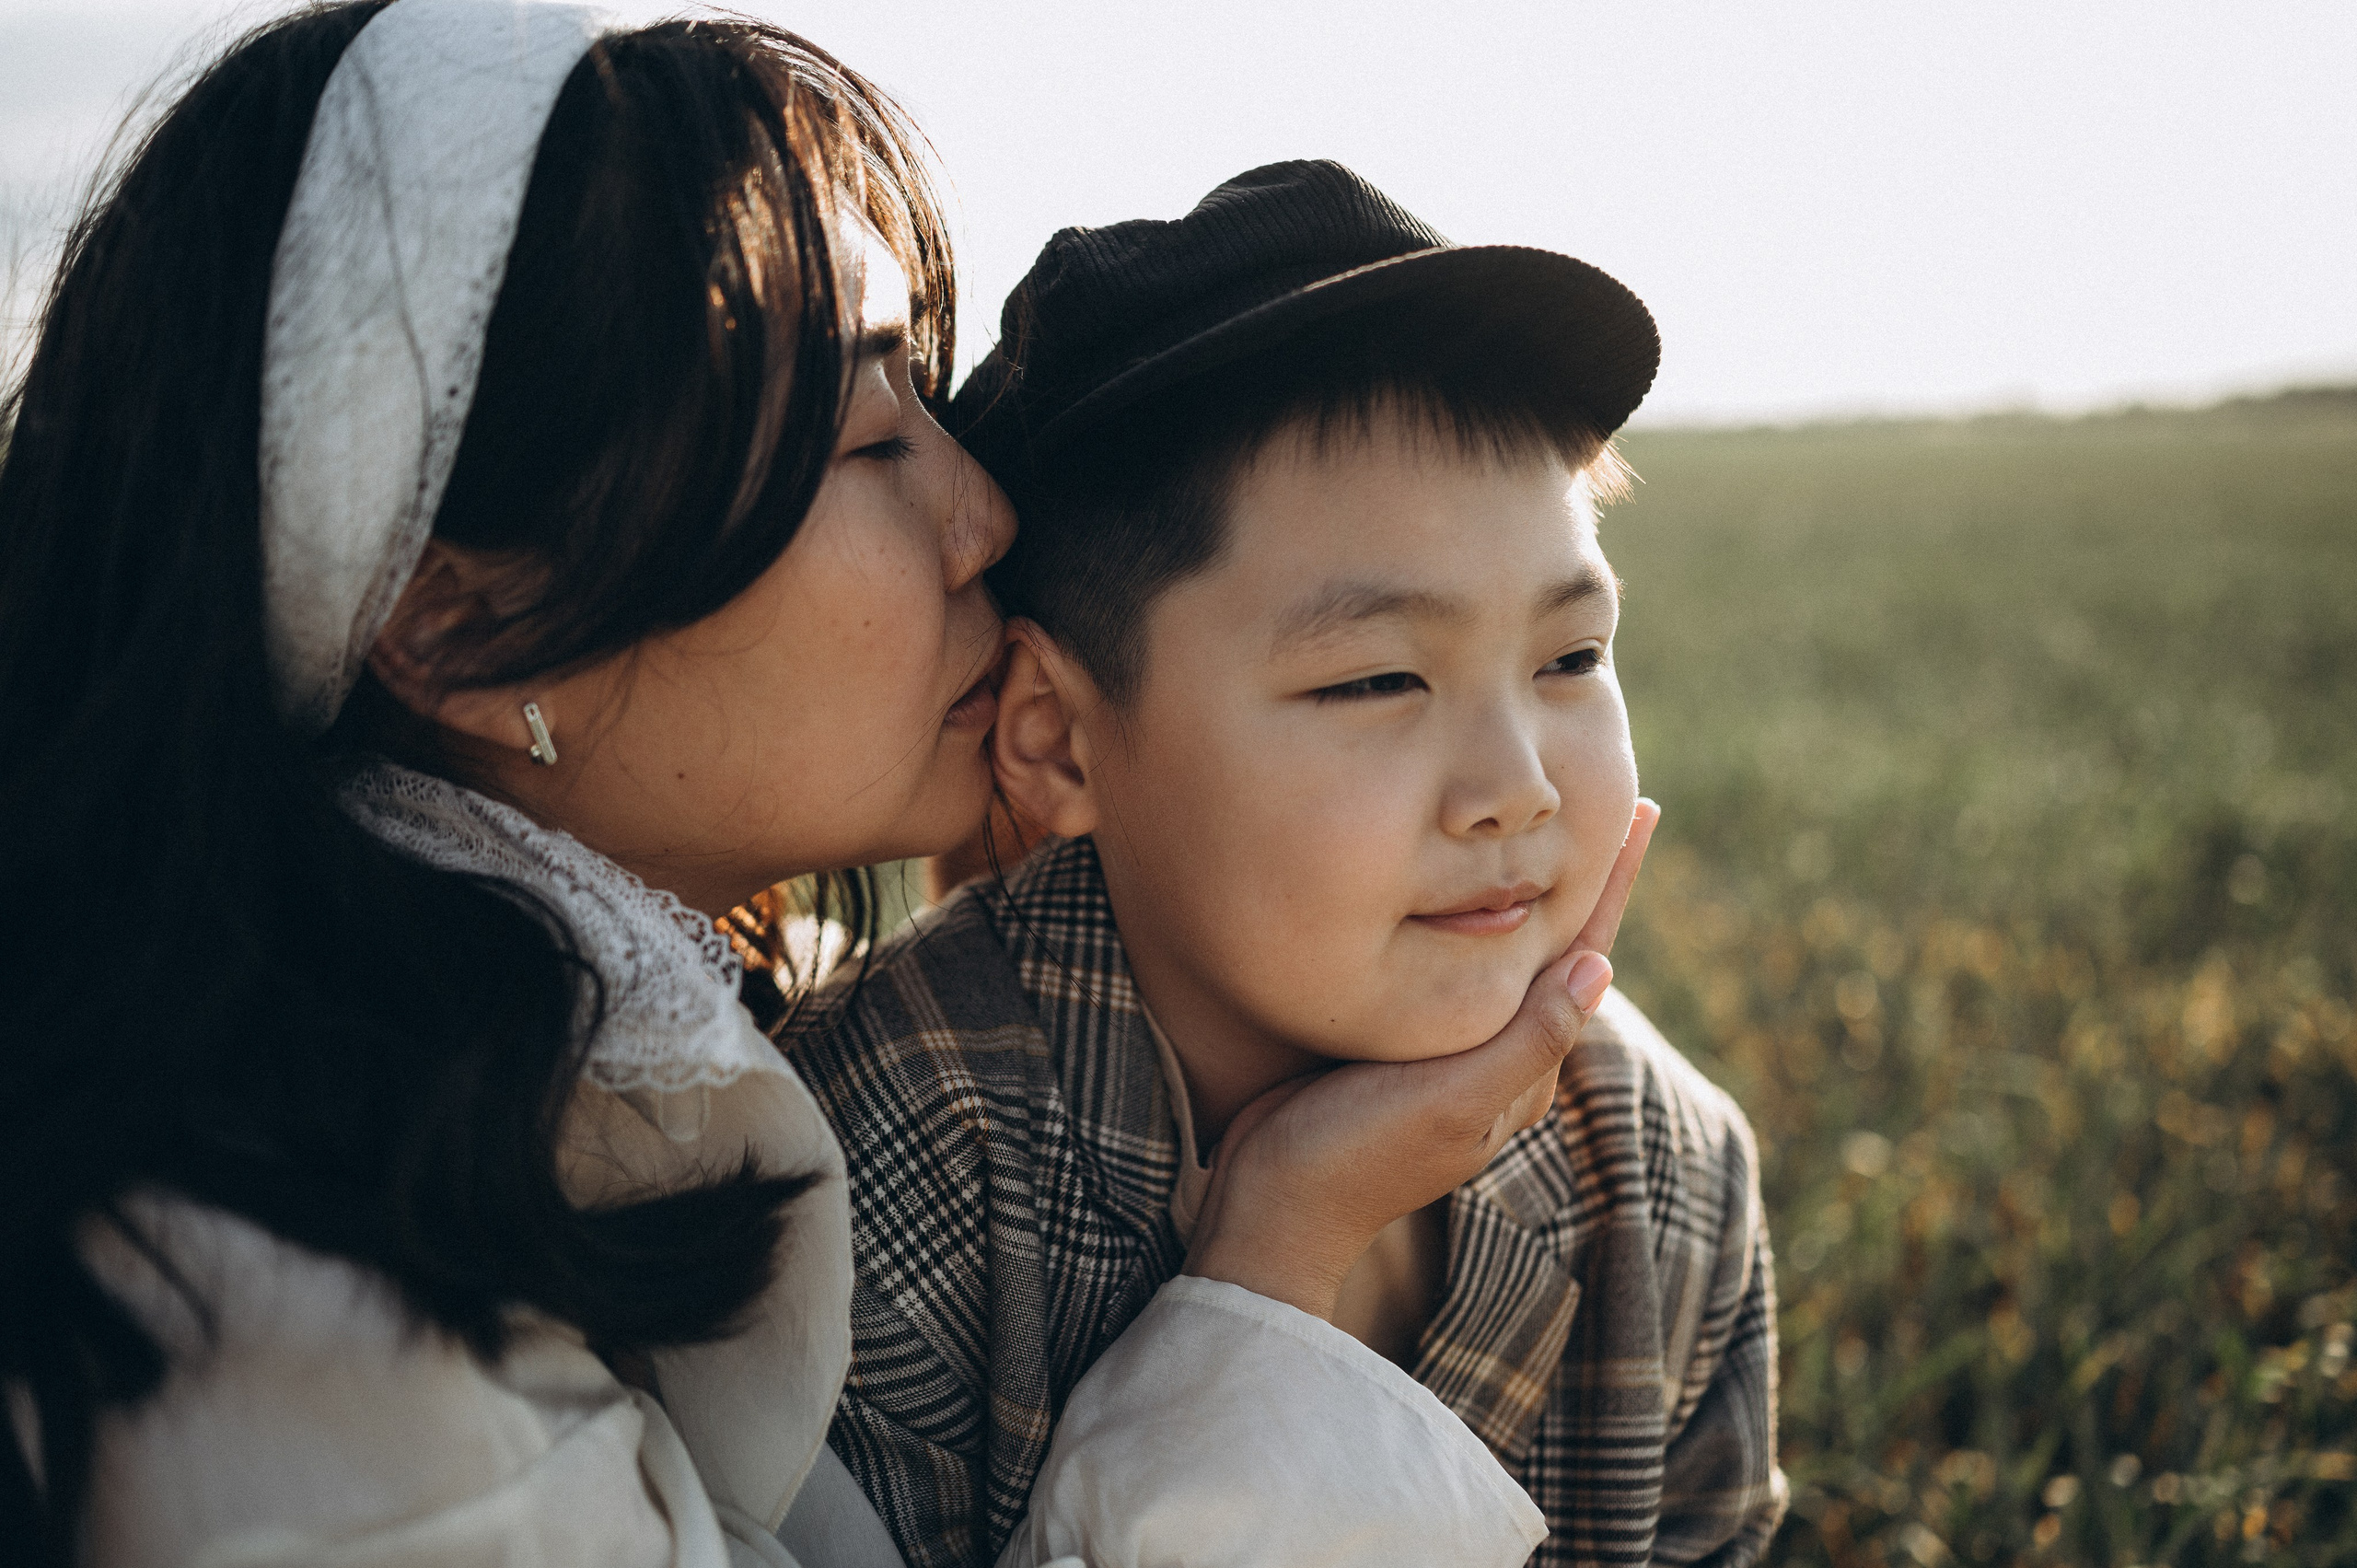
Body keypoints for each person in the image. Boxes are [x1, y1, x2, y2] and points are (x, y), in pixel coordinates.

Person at [0, 8, 1609, 1566]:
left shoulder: (568, 1052)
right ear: (466, 630)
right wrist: (1270, 1273)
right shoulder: (320, 1356)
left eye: (934, 396)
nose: (985, 512)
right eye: (866, 439)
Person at [793, 161, 1790, 1568]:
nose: (1515, 787)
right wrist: (1277, 1251)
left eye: (1570, 658)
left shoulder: (1665, 1173)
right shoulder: (877, 1180)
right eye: (1379, 682)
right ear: (1061, 743)